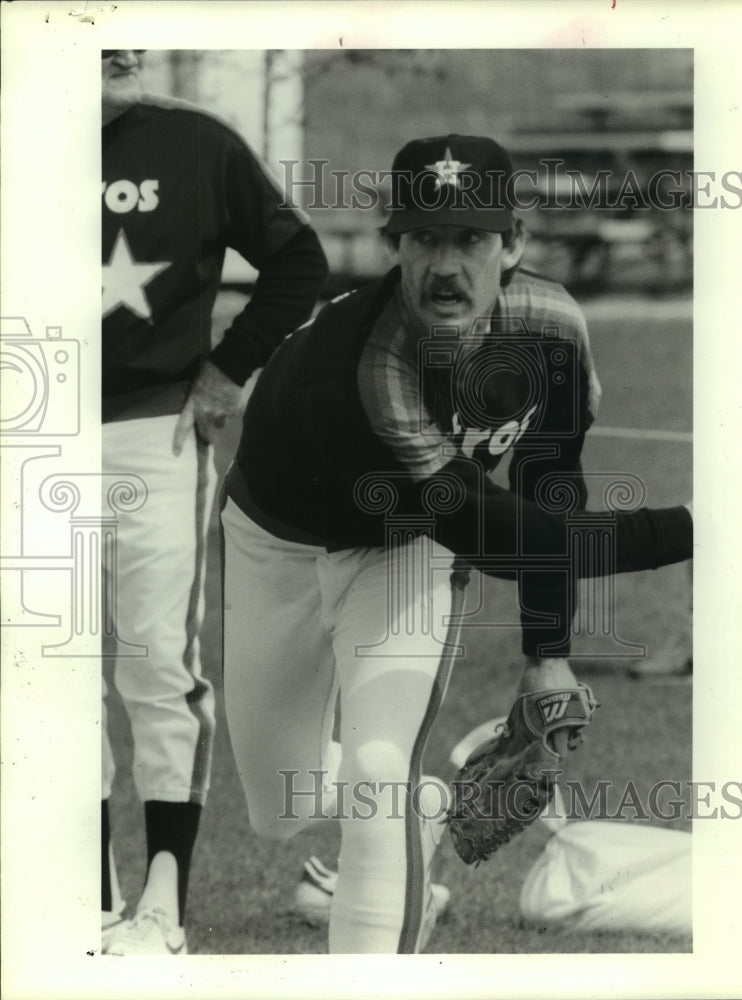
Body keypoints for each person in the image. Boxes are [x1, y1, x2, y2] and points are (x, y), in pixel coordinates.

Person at [220, 134, 693, 953]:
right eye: (426, 239)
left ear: (514, 242)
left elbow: (552, 484)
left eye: (471, 239)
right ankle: (427, 808)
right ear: (391, 245)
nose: (447, 265)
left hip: (407, 550)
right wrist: (697, 528)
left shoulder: (549, 326)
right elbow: (509, 539)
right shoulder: (365, 368)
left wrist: (548, 651)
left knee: (376, 772)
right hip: (277, 543)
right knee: (282, 809)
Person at [100, 49, 328, 955]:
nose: (114, 52)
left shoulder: (193, 143)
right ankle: (87, 897)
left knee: (156, 661)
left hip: (152, 430)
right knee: (46, 675)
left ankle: (164, 906)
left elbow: (298, 258)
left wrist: (229, 369)